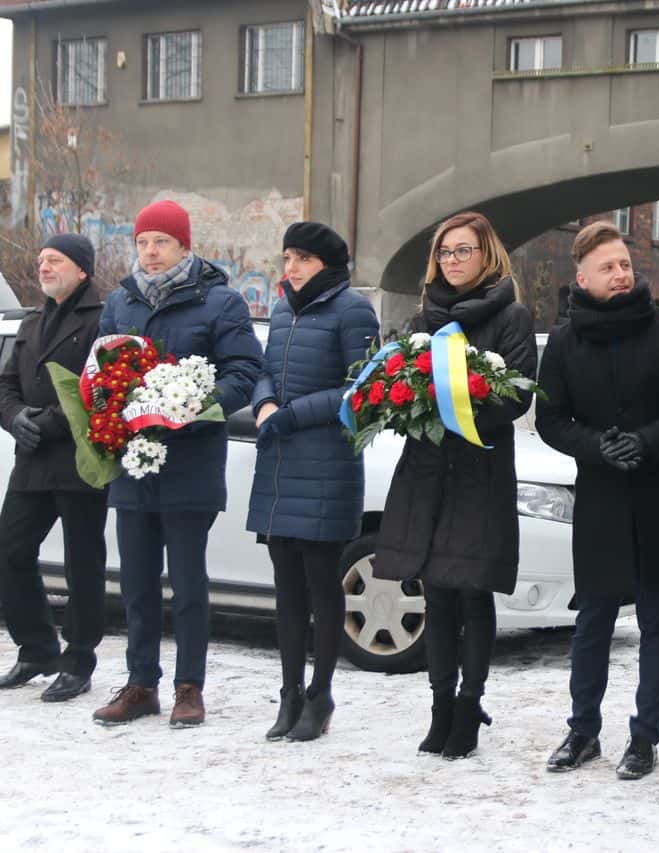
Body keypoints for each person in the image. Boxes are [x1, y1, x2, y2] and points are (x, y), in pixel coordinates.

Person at [535, 221, 659, 779]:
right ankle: (582, 730)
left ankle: (645, 737)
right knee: (593, 620)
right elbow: (550, 418)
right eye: (607, 267)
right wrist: (597, 447)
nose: (620, 274)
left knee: (658, 622)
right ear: (582, 277)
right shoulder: (564, 341)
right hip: (601, 499)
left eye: (625, 264)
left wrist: (650, 439)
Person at [90, 200, 263, 728]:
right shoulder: (121, 302)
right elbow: (98, 370)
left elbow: (243, 371)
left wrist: (192, 405)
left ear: (184, 246)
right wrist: (108, 410)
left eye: (161, 242)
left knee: (187, 584)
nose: (150, 252)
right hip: (134, 465)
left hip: (190, 461)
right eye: (143, 242)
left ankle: (190, 686)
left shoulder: (220, 302)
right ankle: (140, 684)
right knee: (137, 584)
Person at [373, 211, 535, 760]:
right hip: (428, 471)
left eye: (463, 250)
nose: (452, 260)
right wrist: (410, 406)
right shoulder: (424, 317)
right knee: (436, 591)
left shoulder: (511, 317)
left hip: (479, 472)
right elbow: (400, 384)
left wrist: (459, 412)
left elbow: (517, 394)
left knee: (472, 589)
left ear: (486, 254)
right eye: (445, 252)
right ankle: (440, 705)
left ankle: (469, 706)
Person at [247, 222, 378, 742]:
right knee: (286, 588)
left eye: (303, 258)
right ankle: (290, 694)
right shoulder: (283, 309)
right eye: (287, 258)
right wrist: (264, 401)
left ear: (328, 264)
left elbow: (360, 388)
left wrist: (293, 414)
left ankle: (320, 694)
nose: (292, 268)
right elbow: (264, 369)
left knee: (322, 585)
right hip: (280, 464)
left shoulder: (353, 310)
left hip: (327, 464)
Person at [0, 234, 108, 702]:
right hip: (32, 461)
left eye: (55, 260)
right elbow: (5, 384)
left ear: (81, 269)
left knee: (82, 563)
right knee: (9, 550)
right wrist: (14, 418)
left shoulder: (103, 321)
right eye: (42, 260)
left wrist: (44, 423)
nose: (43, 267)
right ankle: (36, 649)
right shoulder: (31, 321)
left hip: (80, 460)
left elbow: (99, 390)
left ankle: (78, 660)